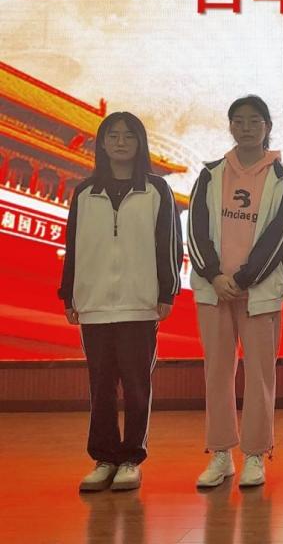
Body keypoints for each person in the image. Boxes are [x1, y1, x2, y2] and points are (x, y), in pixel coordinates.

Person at [59, 112, 183, 492]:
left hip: (138, 303)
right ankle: (104, 458)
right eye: (112, 135)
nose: (120, 142)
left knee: (135, 385)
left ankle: (131, 458)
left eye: (128, 136)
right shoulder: (85, 192)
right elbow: (73, 245)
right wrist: (69, 293)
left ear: (140, 143)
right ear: (102, 143)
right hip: (95, 303)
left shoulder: (156, 190)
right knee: (100, 387)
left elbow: (169, 243)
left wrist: (167, 291)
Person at [187, 95, 283, 488]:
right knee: (217, 372)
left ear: (267, 127)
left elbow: (281, 235)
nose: (246, 128)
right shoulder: (210, 173)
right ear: (230, 126)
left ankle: (254, 455)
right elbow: (196, 229)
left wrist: (246, 278)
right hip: (214, 290)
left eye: (255, 121)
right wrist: (215, 275)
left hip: (259, 292)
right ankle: (220, 454)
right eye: (239, 120)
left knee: (260, 376)